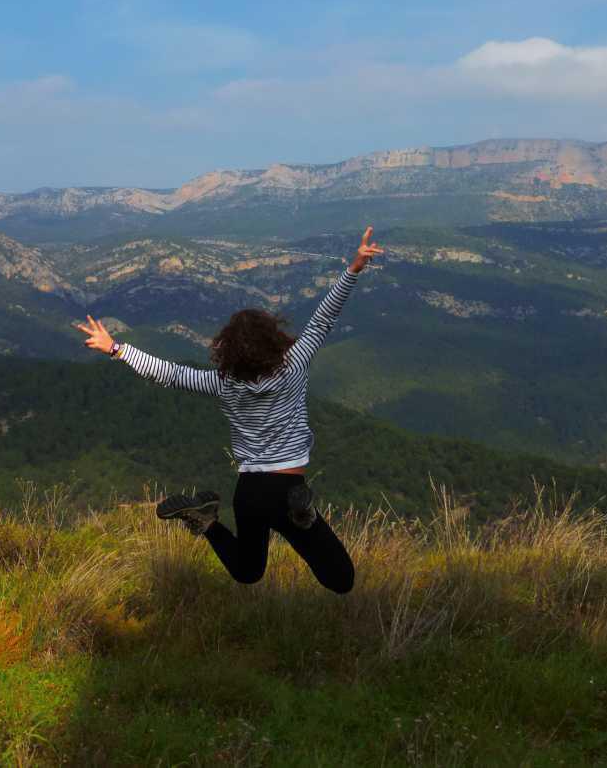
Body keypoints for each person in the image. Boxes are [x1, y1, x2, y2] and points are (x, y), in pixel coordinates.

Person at [75, 226, 384, 594]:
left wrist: (116, 348)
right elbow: (322, 319)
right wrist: (353, 268)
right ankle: (306, 518)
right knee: (341, 579)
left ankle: (207, 523)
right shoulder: (294, 364)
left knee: (247, 572)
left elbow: (169, 374)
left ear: (228, 350)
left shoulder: (222, 383)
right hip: (287, 489)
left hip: (249, 491)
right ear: (274, 339)